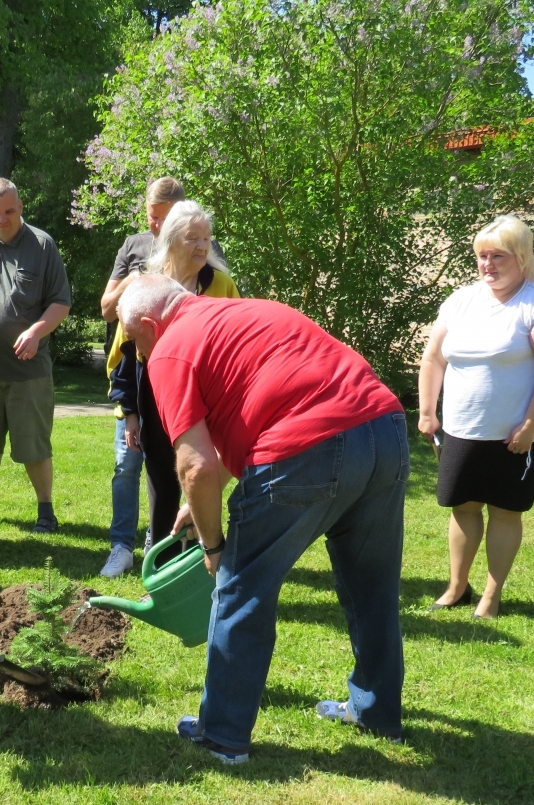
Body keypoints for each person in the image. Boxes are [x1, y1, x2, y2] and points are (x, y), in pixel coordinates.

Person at [119, 275, 407, 764]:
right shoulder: (251, 312)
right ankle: (377, 712)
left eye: (132, 339)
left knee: (240, 587)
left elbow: (194, 465)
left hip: (308, 449)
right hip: (384, 432)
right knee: (372, 587)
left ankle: (223, 736)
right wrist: (205, 498)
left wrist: (213, 548)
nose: (136, 352)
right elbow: (259, 406)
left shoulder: (169, 351)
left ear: (149, 324)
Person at [417, 215, 534, 619]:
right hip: (462, 429)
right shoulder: (461, 300)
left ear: (521, 257)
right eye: (482, 256)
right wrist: (427, 412)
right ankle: (456, 588)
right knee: (463, 507)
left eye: (498, 256)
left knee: (505, 511)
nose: (487, 264)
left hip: (515, 435)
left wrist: (529, 427)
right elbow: (433, 358)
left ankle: (492, 594)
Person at [108, 200, 240, 571]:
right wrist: (130, 413)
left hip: (207, 395)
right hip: (156, 393)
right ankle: (164, 558)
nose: (202, 247)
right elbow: (127, 346)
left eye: (207, 239)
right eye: (193, 238)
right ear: (170, 240)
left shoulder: (221, 284)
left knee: (202, 471)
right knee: (163, 479)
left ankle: (205, 554)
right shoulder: (146, 284)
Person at [0, 178, 72, 534]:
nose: (2, 219)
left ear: (21, 206)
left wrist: (37, 331)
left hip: (28, 369)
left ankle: (46, 512)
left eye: (8, 211)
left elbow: (60, 301)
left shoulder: (41, 244)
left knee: (34, 443)